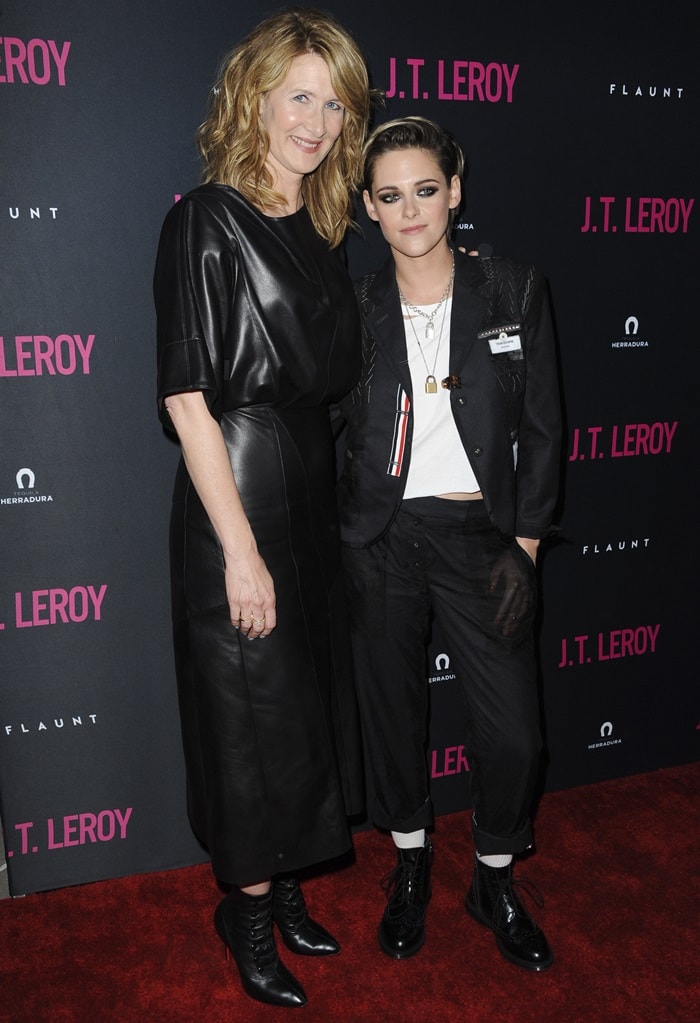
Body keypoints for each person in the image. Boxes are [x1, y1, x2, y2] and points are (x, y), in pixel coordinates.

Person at [153, 8, 372, 1008]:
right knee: (248, 720)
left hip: (310, 496)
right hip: (234, 496)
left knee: (302, 712)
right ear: (254, 98)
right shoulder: (203, 218)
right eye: (299, 97)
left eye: (333, 102)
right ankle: (243, 920)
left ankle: (281, 887)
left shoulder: (324, 228)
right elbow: (189, 402)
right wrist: (239, 552)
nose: (317, 121)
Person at [337, 117, 562, 971]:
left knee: (515, 738)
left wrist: (528, 546)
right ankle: (409, 860)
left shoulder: (514, 288)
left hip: (483, 540)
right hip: (382, 539)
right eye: (389, 196)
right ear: (368, 207)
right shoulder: (354, 307)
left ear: (455, 191)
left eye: (425, 190)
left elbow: (544, 430)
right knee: (392, 718)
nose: (410, 211)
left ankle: (493, 875)